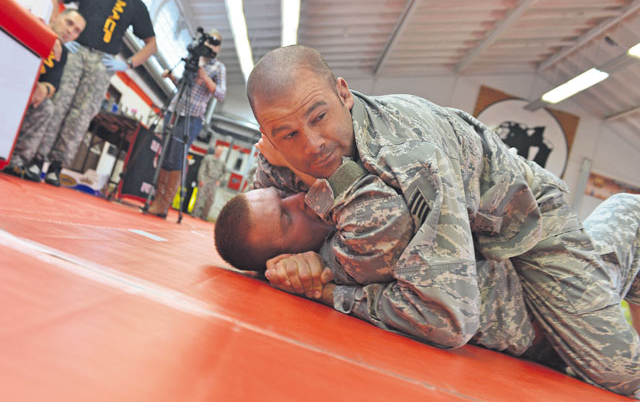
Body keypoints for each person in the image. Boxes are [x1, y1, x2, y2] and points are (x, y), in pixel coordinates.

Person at [215, 44, 640, 398]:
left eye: (319, 116)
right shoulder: (276, 163)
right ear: (267, 136)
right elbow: (271, 234)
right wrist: (296, 263)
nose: (312, 145)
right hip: (464, 229)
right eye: (287, 134)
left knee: (616, 371)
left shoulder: (412, 157)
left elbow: (449, 318)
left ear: (344, 93)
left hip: (527, 223)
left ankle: (628, 220)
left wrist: (330, 290)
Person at [28, 0, 157, 187]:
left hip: (102, 63)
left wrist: (126, 64)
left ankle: (57, 166)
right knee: (58, 105)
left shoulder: (135, 5)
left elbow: (152, 44)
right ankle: (36, 158)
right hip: (75, 52)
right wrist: (55, 31)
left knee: (81, 115)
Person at [144, 29, 226, 218]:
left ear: (218, 48)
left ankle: (165, 203)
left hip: (193, 115)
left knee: (176, 154)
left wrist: (204, 75)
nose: (210, 45)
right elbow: (183, 84)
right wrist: (172, 77)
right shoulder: (192, 58)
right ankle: (157, 199)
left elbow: (220, 94)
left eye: (215, 42)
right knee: (165, 152)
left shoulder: (218, 68)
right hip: (175, 109)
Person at [3, 9, 86, 180]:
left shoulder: (61, 55)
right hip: (6, 84)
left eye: (77, 31)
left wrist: (43, 88)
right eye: (69, 23)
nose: (70, 31)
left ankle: (16, 160)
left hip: (24, 97)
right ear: (56, 18)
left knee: (47, 108)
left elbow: (53, 84)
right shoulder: (32, 24)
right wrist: (48, 37)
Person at [193, 144, 227, 220]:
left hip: (214, 182)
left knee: (210, 200)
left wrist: (219, 180)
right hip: (205, 179)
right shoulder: (208, 158)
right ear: (215, 150)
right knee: (200, 197)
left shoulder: (222, 162)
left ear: (221, 153)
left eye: (220, 151)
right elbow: (202, 169)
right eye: (218, 150)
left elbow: (225, 173)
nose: (218, 152)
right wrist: (201, 179)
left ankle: (204, 216)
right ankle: (194, 213)